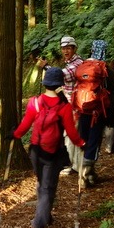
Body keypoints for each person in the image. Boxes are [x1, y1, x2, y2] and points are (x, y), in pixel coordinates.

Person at [8, 67, 86, 228]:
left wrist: (14, 134)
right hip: (52, 153)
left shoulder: (34, 102)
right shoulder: (64, 107)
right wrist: (82, 143)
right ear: (60, 84)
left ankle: (47, 215)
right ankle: (36, 226)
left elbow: (25, 125)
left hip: (35, 152)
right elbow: (71, 133)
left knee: (43, 184)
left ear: (44, 84)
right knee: (47, 189)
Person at [74, 40, 114, 185]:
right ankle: (87, 173)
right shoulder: (106, 70)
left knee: (84, 139)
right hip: (98, 112)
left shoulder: (82, 67)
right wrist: (113, 113)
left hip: (83, 109)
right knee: (94, 140)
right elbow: (113, 94)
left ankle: (83, 168)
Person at [37, 36, 84, 173]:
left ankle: (70, 165)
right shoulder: (72, 62)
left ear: (74, 48)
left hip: (75, 105)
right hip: (72, 104)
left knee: (69, 134)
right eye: (63, 48)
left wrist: (46, 67)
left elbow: (61, 76)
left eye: (68, 48)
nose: (65, 51)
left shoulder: (77, 64)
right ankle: (73, 164)